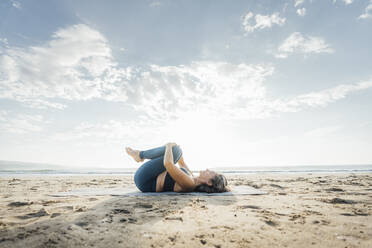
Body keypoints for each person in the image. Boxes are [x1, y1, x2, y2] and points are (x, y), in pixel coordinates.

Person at [126, 142, 230, 193]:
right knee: (177, 151)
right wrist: (179, 153)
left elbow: (168, 164)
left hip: (145, 180)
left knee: (175, 151)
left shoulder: (190, 184)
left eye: (211, 172)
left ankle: (140, 155)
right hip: (148, 176)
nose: (208, 169)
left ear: (209, 182)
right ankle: (139, 155)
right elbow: (182, 163)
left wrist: (169, 146)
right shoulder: (192, 177)